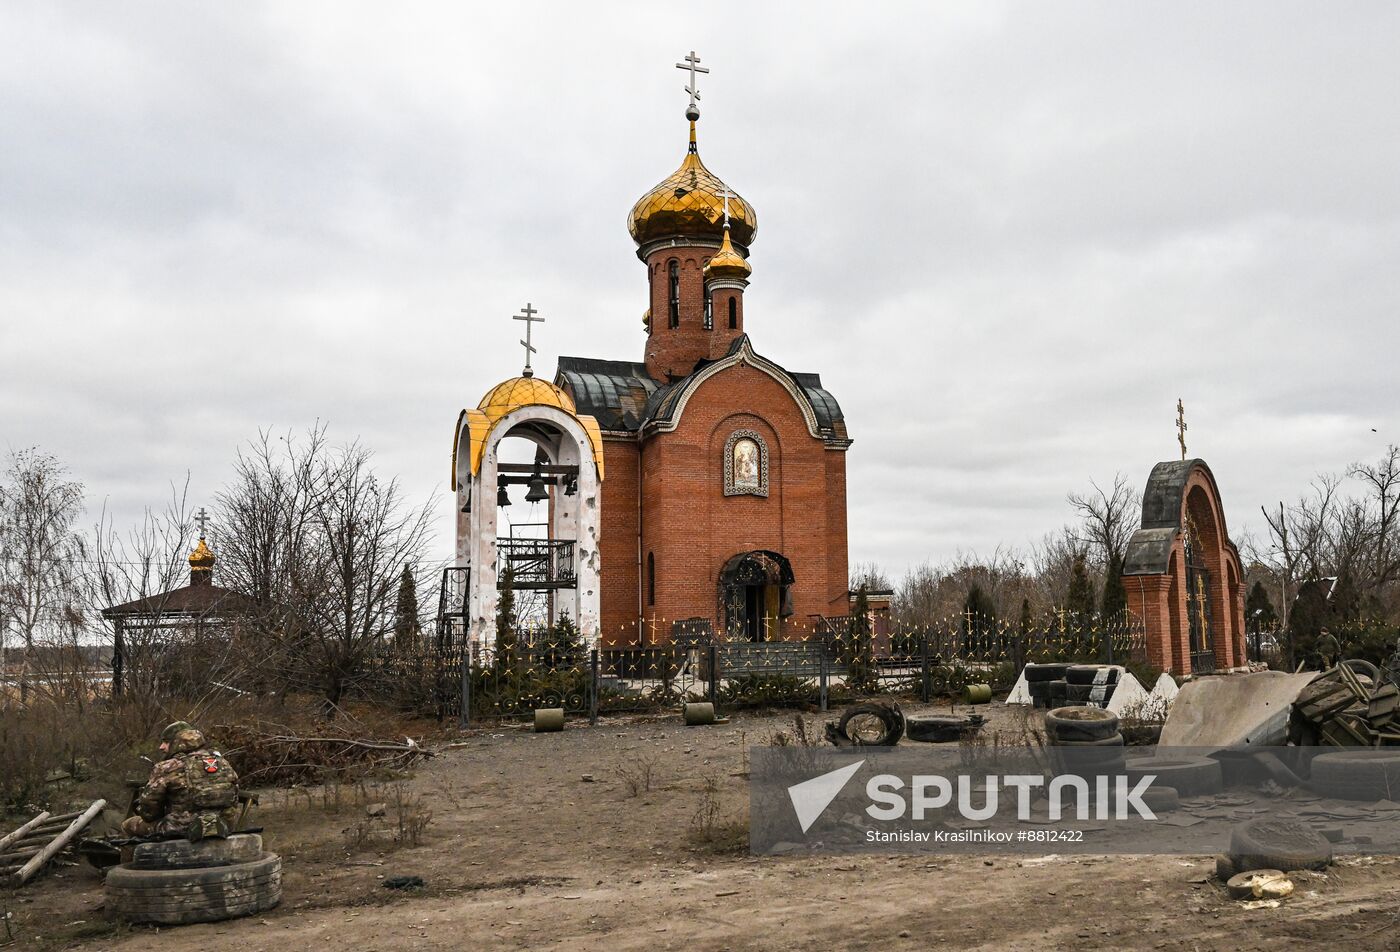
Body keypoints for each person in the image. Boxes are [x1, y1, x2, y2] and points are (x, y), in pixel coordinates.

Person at [120, 721, 240, 840]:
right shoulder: (222, 762)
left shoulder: (167, 767)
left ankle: (136, 858)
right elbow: (234, 797)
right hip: (222, 826)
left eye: (166, 742)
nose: (161, 747)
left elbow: (149, 812)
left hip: (181, 828)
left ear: (178, 742)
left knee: (128, 825)